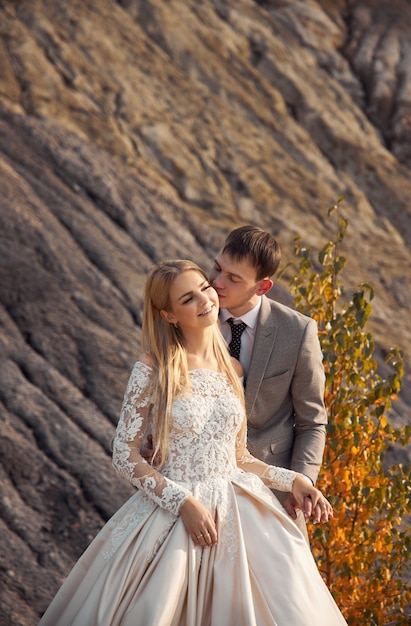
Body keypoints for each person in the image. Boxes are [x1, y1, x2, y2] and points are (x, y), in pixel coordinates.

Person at [38, 259, 346, 626]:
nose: (205, 299)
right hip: (173, 513)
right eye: (188, 298)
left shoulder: (233, 368)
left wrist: (294, 480)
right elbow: (124, 453)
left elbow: (238, 457)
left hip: (241, 509)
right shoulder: (154, 366)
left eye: (204, 287)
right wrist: (182, 502)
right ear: (168, 314)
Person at [209, 225, 328, 537]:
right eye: (217, 268)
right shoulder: (190, 317)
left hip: (271, 494)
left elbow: (312, 422)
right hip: (199, 489)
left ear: (262, 287)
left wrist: (299, 482)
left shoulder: (297, 332)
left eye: (233, 279)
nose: (217, 283)